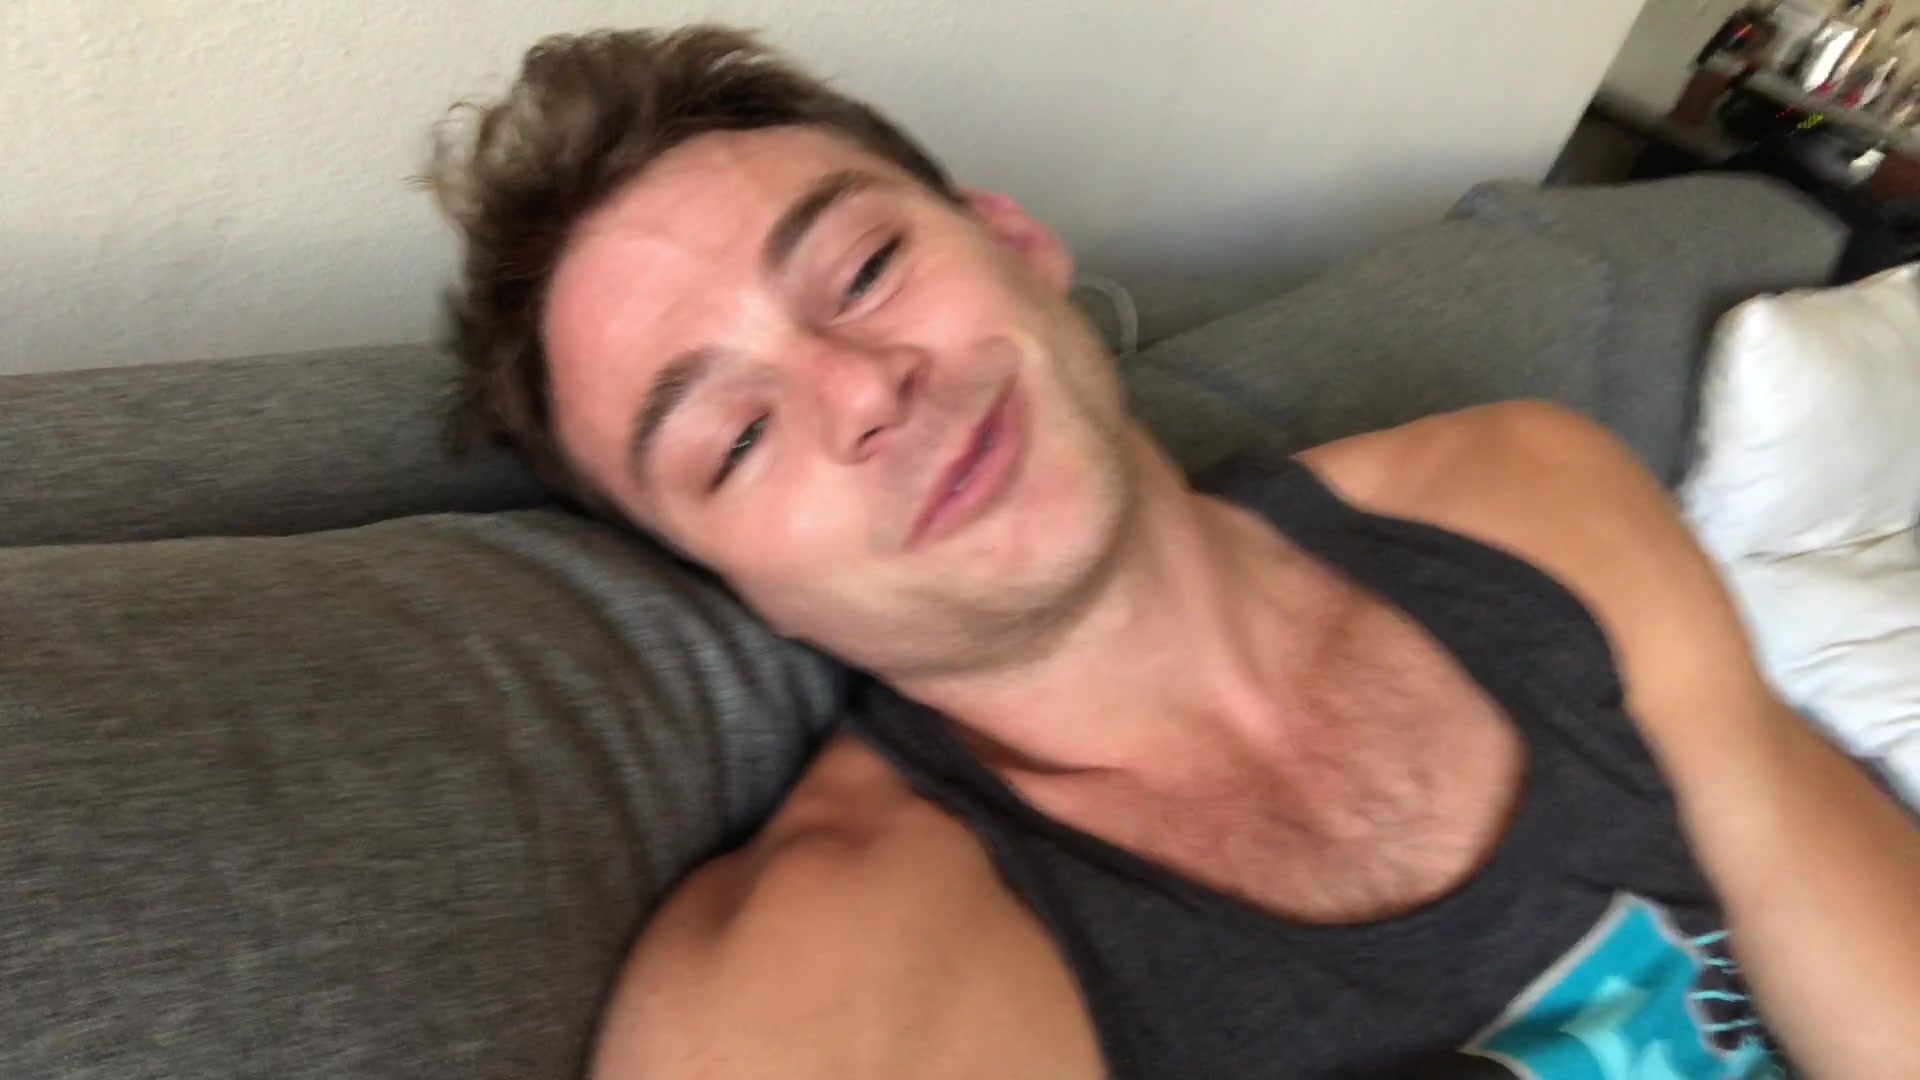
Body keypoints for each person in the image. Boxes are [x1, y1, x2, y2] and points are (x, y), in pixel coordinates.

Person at [424, 26, 1920, 1079]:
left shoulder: (1529, 494)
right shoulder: (836, 991)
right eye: (737, 439)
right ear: (737, 589)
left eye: (865, 266)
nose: (865, 389)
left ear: (1014, 244)